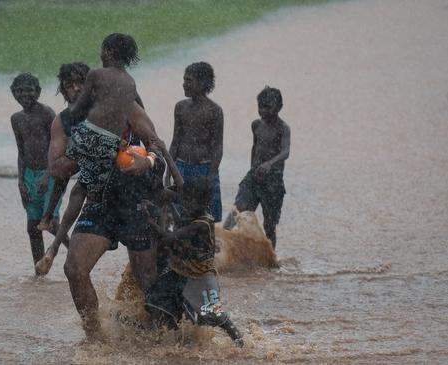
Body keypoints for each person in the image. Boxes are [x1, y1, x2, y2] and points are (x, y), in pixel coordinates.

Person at [63, 33, 168, 339]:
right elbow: (59, 167)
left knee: (148, 277)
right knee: (74, 269)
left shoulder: (130, 107)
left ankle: (165, 339)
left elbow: (157, 146)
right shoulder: (71, 122)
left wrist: (146, 162)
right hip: (100, 201)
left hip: (135, 202)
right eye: (72, 87)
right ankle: (95, 339)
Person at [145, 177, 244, 347]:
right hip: (179, 270)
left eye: (190, 202)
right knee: (157, 300)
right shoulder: (190, 212)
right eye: (184, 201)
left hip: (201, 276)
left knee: (213, 314)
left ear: (204, 203)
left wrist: (149, 222)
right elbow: (177, 191)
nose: (185, 205)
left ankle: (240, 341)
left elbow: (169, 237)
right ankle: (176, 339)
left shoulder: (202, 223)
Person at [34, 62, 91, 276]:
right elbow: (57, 163)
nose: (75, 89)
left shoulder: (103, 108)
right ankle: (49, 221)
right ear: (63, 90)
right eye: (69, 85)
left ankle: (53, 239)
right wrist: (50, 172)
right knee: (63, 174)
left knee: (72, 182)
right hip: (81, 166)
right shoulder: (63, 120)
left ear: (90, 84)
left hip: (107, 166)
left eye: (80, 83)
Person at [223, 86, 290, 249]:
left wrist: (269, 164)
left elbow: (286, 152)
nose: (263, 111)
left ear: (279, 107)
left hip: (273, 180)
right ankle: (221, 244)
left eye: (268, 107)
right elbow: (255, 146)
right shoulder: (256, 125)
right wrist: (252, 169)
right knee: (237, 211)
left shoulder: (283, 128)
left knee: (269, 225)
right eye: (260, 107)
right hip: (254, 176)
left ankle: (270, 261)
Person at [9, 72, 60, 273]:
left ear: (38, 92)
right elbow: (21, 151)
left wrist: (48, 174)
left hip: (52, 172)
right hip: (29, 174)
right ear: (13, 94)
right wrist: (20, 180)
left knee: (52, 223)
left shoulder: (47, 114)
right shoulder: (16, 119)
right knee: (32, 227)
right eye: (19, 91)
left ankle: (76, 254)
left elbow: (58, 145)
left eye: (29, 90)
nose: (24, 95)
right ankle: (39, 270)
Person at [166, 62, 224, 222]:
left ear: (203, 83)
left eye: (189, 81)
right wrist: (168, 172)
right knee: (179, 215)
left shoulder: (215, 111)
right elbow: (175, 141)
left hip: (205, 169)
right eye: (184, 80)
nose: (184, 84)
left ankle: (207, 246)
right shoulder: (180, 108)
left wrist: (211, 176)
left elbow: (218, 146)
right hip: (181, 168)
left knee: (208, 217)